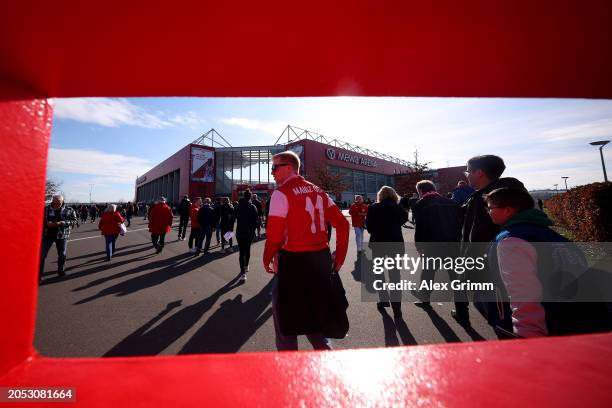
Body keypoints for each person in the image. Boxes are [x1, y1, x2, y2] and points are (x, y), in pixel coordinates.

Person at [485, 187, 611, 337]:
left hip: (547, 331)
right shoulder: (556, 237)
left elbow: (522, 294)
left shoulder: (512, 241)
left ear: (508, 211)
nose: (488, 212)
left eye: (490, 208)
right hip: (584, 324)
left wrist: (528, 335)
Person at [263, 150, 349, 351]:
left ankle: (289, 371)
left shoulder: (281, 193)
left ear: (289, 168)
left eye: (275, 168)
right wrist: (339, 258)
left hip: (292, 262)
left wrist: (267, 258)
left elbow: (274, 236)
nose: (272, 173)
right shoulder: (319, 191)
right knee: (315, 317)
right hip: (320, 262)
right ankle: (325, 363)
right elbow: (343, 225)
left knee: (286, 325)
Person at [459, 154, 526, 331]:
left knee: (502, 322)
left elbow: (477, 239)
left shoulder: (485, 201)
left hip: (492, 273)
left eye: (468, 171)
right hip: (516, 271)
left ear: (479, 172)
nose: (466, 175)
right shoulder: (516, 194)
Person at [412, 180, 462, 307]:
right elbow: (459, 223)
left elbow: (420, 228)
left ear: (420, 191)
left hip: (432, 244)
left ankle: (425, 298)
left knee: (428, 272)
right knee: (454, 274)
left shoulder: (421, 204)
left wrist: (418, 245)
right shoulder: (450, 202)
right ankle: (461, 308)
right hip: (452, 243)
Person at [365, 186, 408, 318]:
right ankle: (397, 309)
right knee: (395, 276)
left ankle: (383, 299)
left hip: (378, 243)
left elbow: (369, 227)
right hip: (395, 243)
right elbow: (404, 220)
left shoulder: (373, 207)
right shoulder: (398, 208)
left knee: (379, 273)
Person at [40, 195, 77, 280]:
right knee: (41, 255)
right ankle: (39, 275)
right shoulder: (46, 209)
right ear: (52, 201)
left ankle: (61, 271)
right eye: (54, 202)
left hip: (62, 235)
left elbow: (74, 221)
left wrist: (62, 223)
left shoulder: (69, 210)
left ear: (62, 201)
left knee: (62, 254)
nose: (56, 204)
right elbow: (39, 220)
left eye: (58, 203)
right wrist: (47, 224)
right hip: (47, 235)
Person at [234, 189, 259, 282]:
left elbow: (234, 217)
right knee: (247, 250)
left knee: (241, 252)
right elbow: (256, 221)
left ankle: (243, 273)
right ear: (250, 196)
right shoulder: (253, 207)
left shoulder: (238, 206)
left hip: (240, 232)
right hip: (249, 233)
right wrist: (253, 230)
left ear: (243, 196)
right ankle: (246, 266)